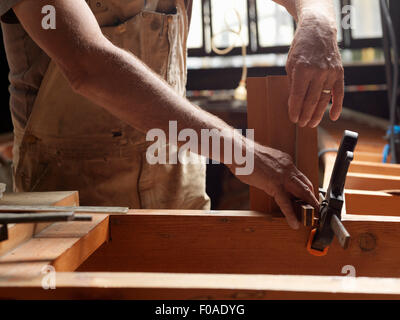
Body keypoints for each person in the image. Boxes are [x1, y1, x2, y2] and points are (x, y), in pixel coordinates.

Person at [0, 0, 344, 229]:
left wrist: (318, 19)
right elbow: (87, 63)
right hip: (75, 207)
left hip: (177, 196)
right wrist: (244, 154)